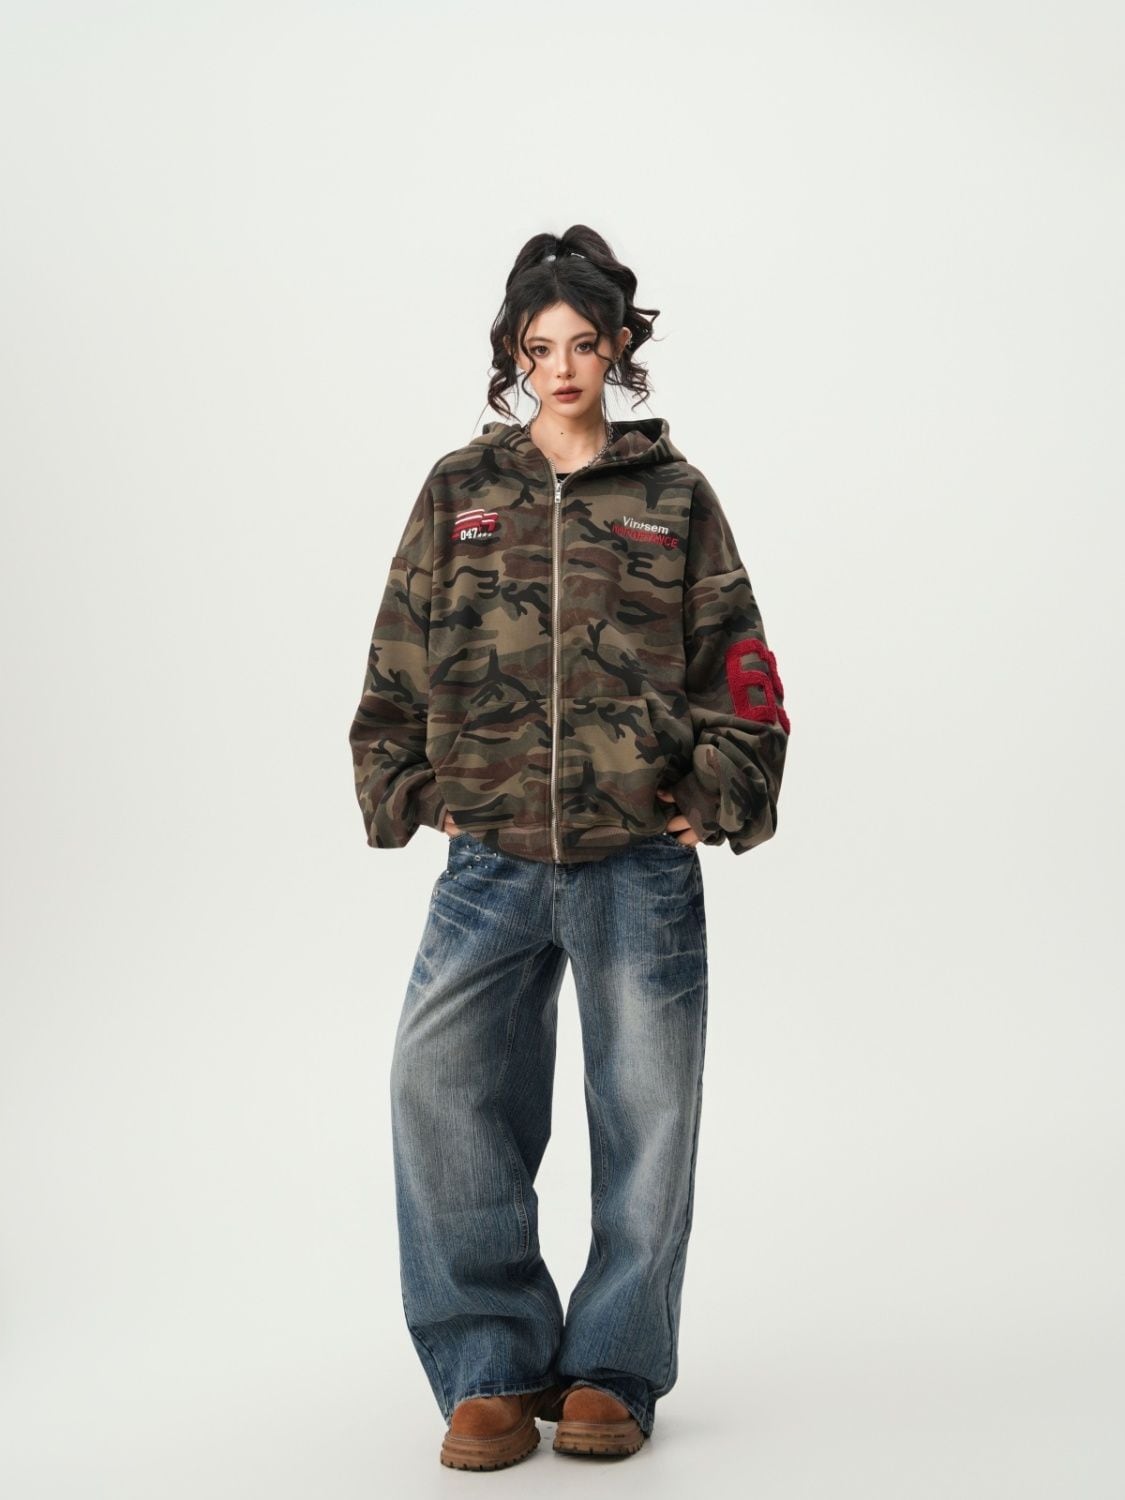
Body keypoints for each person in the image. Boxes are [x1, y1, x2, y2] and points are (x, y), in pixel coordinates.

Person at [348, 224, 790, 1470]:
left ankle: (612, 1366)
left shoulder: (674, 496)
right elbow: (398, 646)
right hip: (489, 861)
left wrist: (722, 788)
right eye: (538, 347)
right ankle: (489, 1364)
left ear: (619, 349)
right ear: (512, 355)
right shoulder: (459, 491)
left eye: (583, 344)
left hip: (637, 862)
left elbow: (742, 661)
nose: (560, 367)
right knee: (439, 1088)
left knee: (647, 1114)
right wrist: (409, 785)